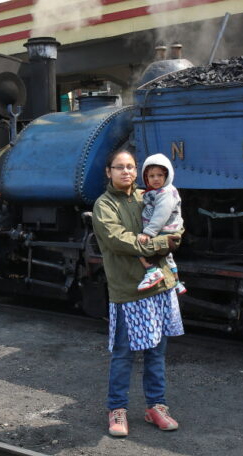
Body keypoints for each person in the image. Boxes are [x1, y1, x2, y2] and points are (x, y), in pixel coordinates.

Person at [91, 149, 184, 438]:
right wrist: (159, 244)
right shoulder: (103, 205)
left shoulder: (150, 194)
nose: (126, 172)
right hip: (128, 290)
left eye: (131, 166)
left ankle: (156, 406)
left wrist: (169, 238)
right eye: (119, 167)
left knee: (157, 353)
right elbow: (119, 241)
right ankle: (116, 409)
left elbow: (177, 230)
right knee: (123, 354)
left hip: (159, 286)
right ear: (109, 172)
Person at [136, 153, 187, 295]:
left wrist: (148, 233)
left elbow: (161, 215)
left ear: (167, 175)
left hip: (162, 230)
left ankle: (152, 271)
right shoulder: (156, 192)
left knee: (137, 248)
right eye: (151, 176)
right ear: (146, 177)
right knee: (168, 258)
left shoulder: (166, 193)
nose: (156, 179)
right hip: (163, 230)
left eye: (159, 175)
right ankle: (177, 283)